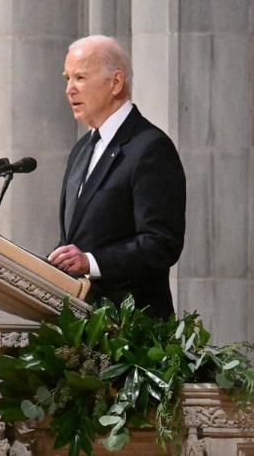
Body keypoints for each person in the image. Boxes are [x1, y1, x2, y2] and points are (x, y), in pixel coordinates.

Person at [47, 35, 185, 318]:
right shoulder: (82, 150)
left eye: (80, 78)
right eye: (67, 78)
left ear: (116, 82)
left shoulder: (149, 147)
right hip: (82, 326)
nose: (68, 89)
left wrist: (91, 262)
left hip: (132, 330)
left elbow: (161, 244)